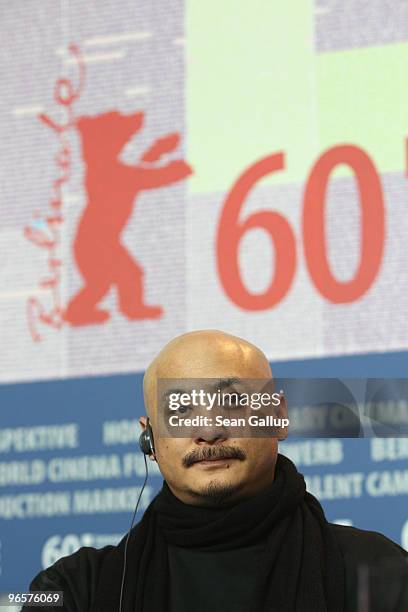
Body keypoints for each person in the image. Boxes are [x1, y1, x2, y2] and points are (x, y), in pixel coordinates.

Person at [25, 330, 408, 611]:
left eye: (231, 402)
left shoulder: (378, 572)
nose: (208, 431)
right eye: (181, 411)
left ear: (277, 417)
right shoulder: (72, 590)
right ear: (150, 440)